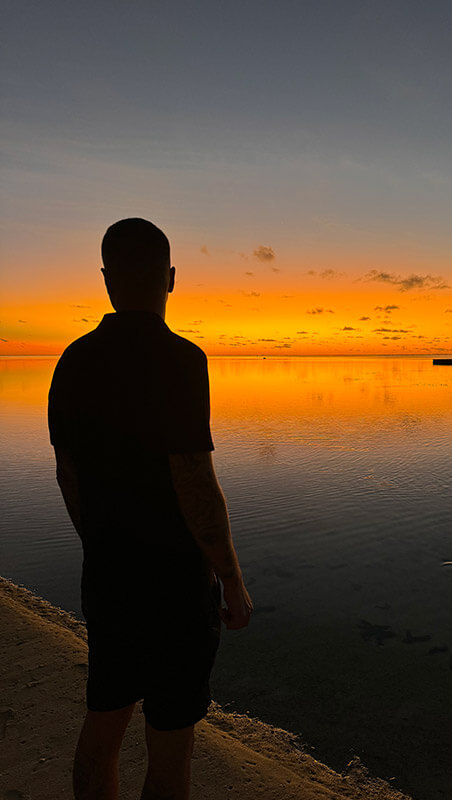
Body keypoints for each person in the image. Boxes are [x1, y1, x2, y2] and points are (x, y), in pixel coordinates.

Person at [48, 218, 253, 800]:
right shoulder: (181, 361)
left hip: (108, 576)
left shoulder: (73, 360)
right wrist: (231, 579)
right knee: (170, 742)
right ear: (170, 278)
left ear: (108, 280)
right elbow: (194, 482)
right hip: (174, 590)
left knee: (105, 721)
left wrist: (101, 542)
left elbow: (69, 476)